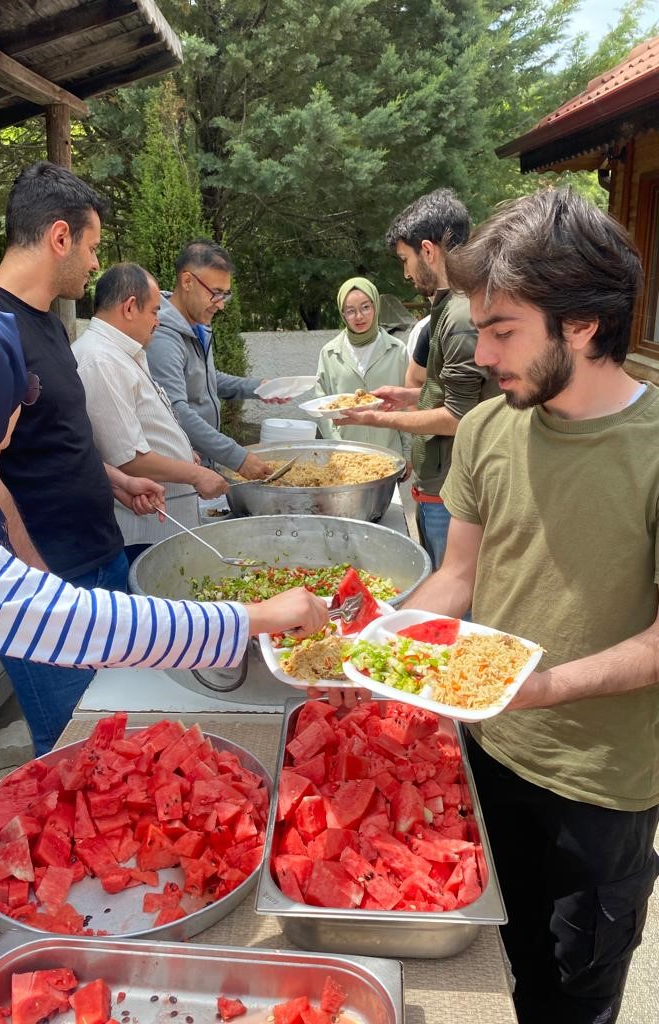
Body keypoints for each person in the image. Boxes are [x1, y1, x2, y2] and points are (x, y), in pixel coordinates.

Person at [0, 299, 328, 1009]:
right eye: (9, 404)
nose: (13, 422)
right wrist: (258, 616)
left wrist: (112, 479)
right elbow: (71, 621)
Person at [401, 188, 659, 1023]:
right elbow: (459, 574)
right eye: (477, 327)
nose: (479, 353)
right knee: (518, 962)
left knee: (577, 993)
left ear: (581, 324)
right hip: (488, 751)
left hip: (601, 784)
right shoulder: (486, 430)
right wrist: (382, 640)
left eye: (502, 330)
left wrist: (540, 686)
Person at [0, 162, 164, 755]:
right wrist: (33, 583)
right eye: (92, 247)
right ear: (60, 237)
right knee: (76, 756)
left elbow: (57, 438)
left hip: (103, 561)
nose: (96, 264)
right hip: (43, 585)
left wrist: (115, 478)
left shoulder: (47, 323)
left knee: (122, 735)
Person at [338, 189, 497, 567]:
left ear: (428, 250)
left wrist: (376, 418)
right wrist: (409, 397)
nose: (406, 273)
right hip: (439, 489)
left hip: (453, 492)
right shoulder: (447, 309)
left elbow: (460, 417)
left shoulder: (459, 317)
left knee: (455, 603)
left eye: (404, 260)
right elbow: (452, 392)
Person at [73, 263, 229, 566]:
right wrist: (197, 474)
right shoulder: (100, 360)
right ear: (130, 307)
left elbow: (143, 428)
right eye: (155, 311)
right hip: (142, 532)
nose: (157, 321)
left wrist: (184, 453)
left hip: (163, 522)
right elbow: (127, 458)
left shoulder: (121, 353)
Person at [146, 239, 276, 479]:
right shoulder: (163, 336)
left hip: (204, 466)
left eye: (225, 295)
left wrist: (258, 388)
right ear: (187, 281)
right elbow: (176, 411)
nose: (221, 305)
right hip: (182, 474)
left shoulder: (196, 325)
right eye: (216, 293)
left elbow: (205, 379)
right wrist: (238, 458)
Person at [313, 276, 411, 459]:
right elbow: (321, 405)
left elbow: (406, 405)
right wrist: (338, 447)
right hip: (346, 457)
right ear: (343, 314)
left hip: (389, 455)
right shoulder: (329, 353)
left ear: (376, 307)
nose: (359, 316)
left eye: (366, 307)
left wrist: (408, 452)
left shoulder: (397, 351)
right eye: (350, 311)